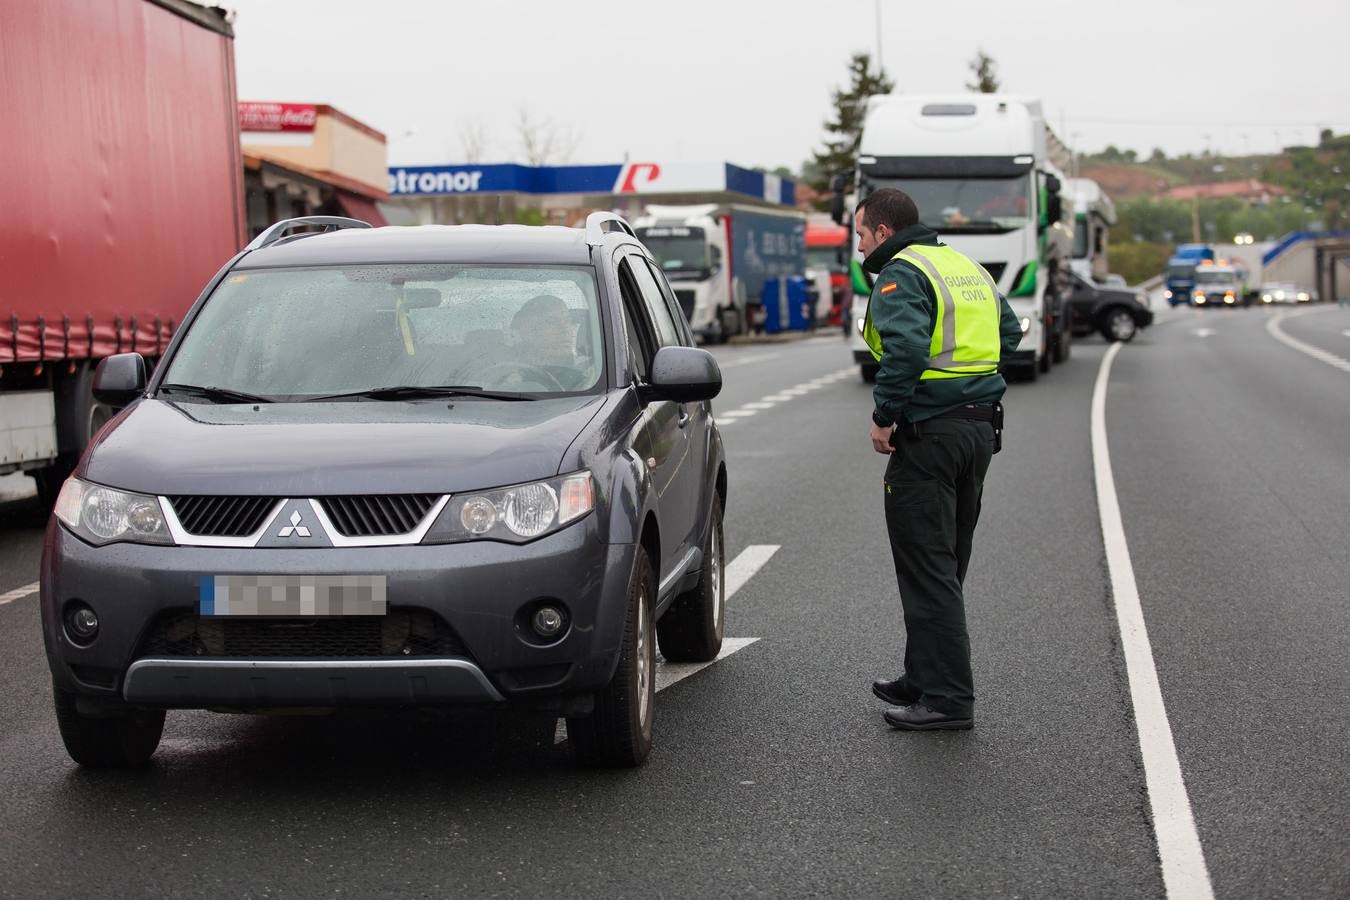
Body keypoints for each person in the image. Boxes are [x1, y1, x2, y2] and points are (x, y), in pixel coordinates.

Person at [855, 188, 1023, 731]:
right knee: (946, 562)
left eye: (860, 234)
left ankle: (949, 699)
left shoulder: (901, 273)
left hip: (930, 434)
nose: (858, 247)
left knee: (929, 569)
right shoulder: (963, 265)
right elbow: (1011, 332)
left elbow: (904, 350)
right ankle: (922, 675)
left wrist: (886, 416)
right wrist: (972, 382)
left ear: (883, 231)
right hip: (977, 430)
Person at [507, 294, 584, 389]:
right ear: (527, 330)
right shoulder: (503, 369)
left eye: (568, 320)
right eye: (551, 322)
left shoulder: (591, 378)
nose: (565, 330)